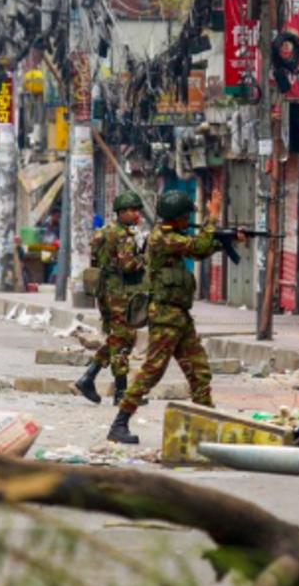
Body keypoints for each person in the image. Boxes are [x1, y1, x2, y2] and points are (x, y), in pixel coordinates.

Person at [107, 190, 244, 444]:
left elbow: (198, 250)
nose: (187, 219)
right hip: (164, 317)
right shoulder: (162, 238)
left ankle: (205, 424)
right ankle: (119, 424)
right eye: (185, 216)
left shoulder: (174, 236)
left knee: (199, 370)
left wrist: (229, 239)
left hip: (179, 316)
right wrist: (212, 219)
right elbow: (198, 245)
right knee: (152, 371)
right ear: (177, 217)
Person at [75, 191, 147, 405]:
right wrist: (145, 257)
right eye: (133, 210)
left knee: (121, 337)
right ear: (122, 212)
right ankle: (121, 392)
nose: (136, 214)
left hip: (104, 291)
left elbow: (96, 260)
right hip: (119, 293)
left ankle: (89, 377)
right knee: (121, 339)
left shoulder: (102, 232)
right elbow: (128, 265)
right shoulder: (123, 235)